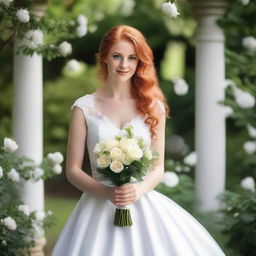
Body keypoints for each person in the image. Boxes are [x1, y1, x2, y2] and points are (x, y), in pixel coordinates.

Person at [51, 25, 225, 256]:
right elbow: (73, 170)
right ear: (104, 57)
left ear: (140, 61)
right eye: (117, 56)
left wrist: (137, 190)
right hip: (97, 206)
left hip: (141, 201)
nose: (124, 65)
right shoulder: (83, 108)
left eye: (132, 58)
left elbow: (158, 167)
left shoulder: (153, 107)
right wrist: (106, 192)